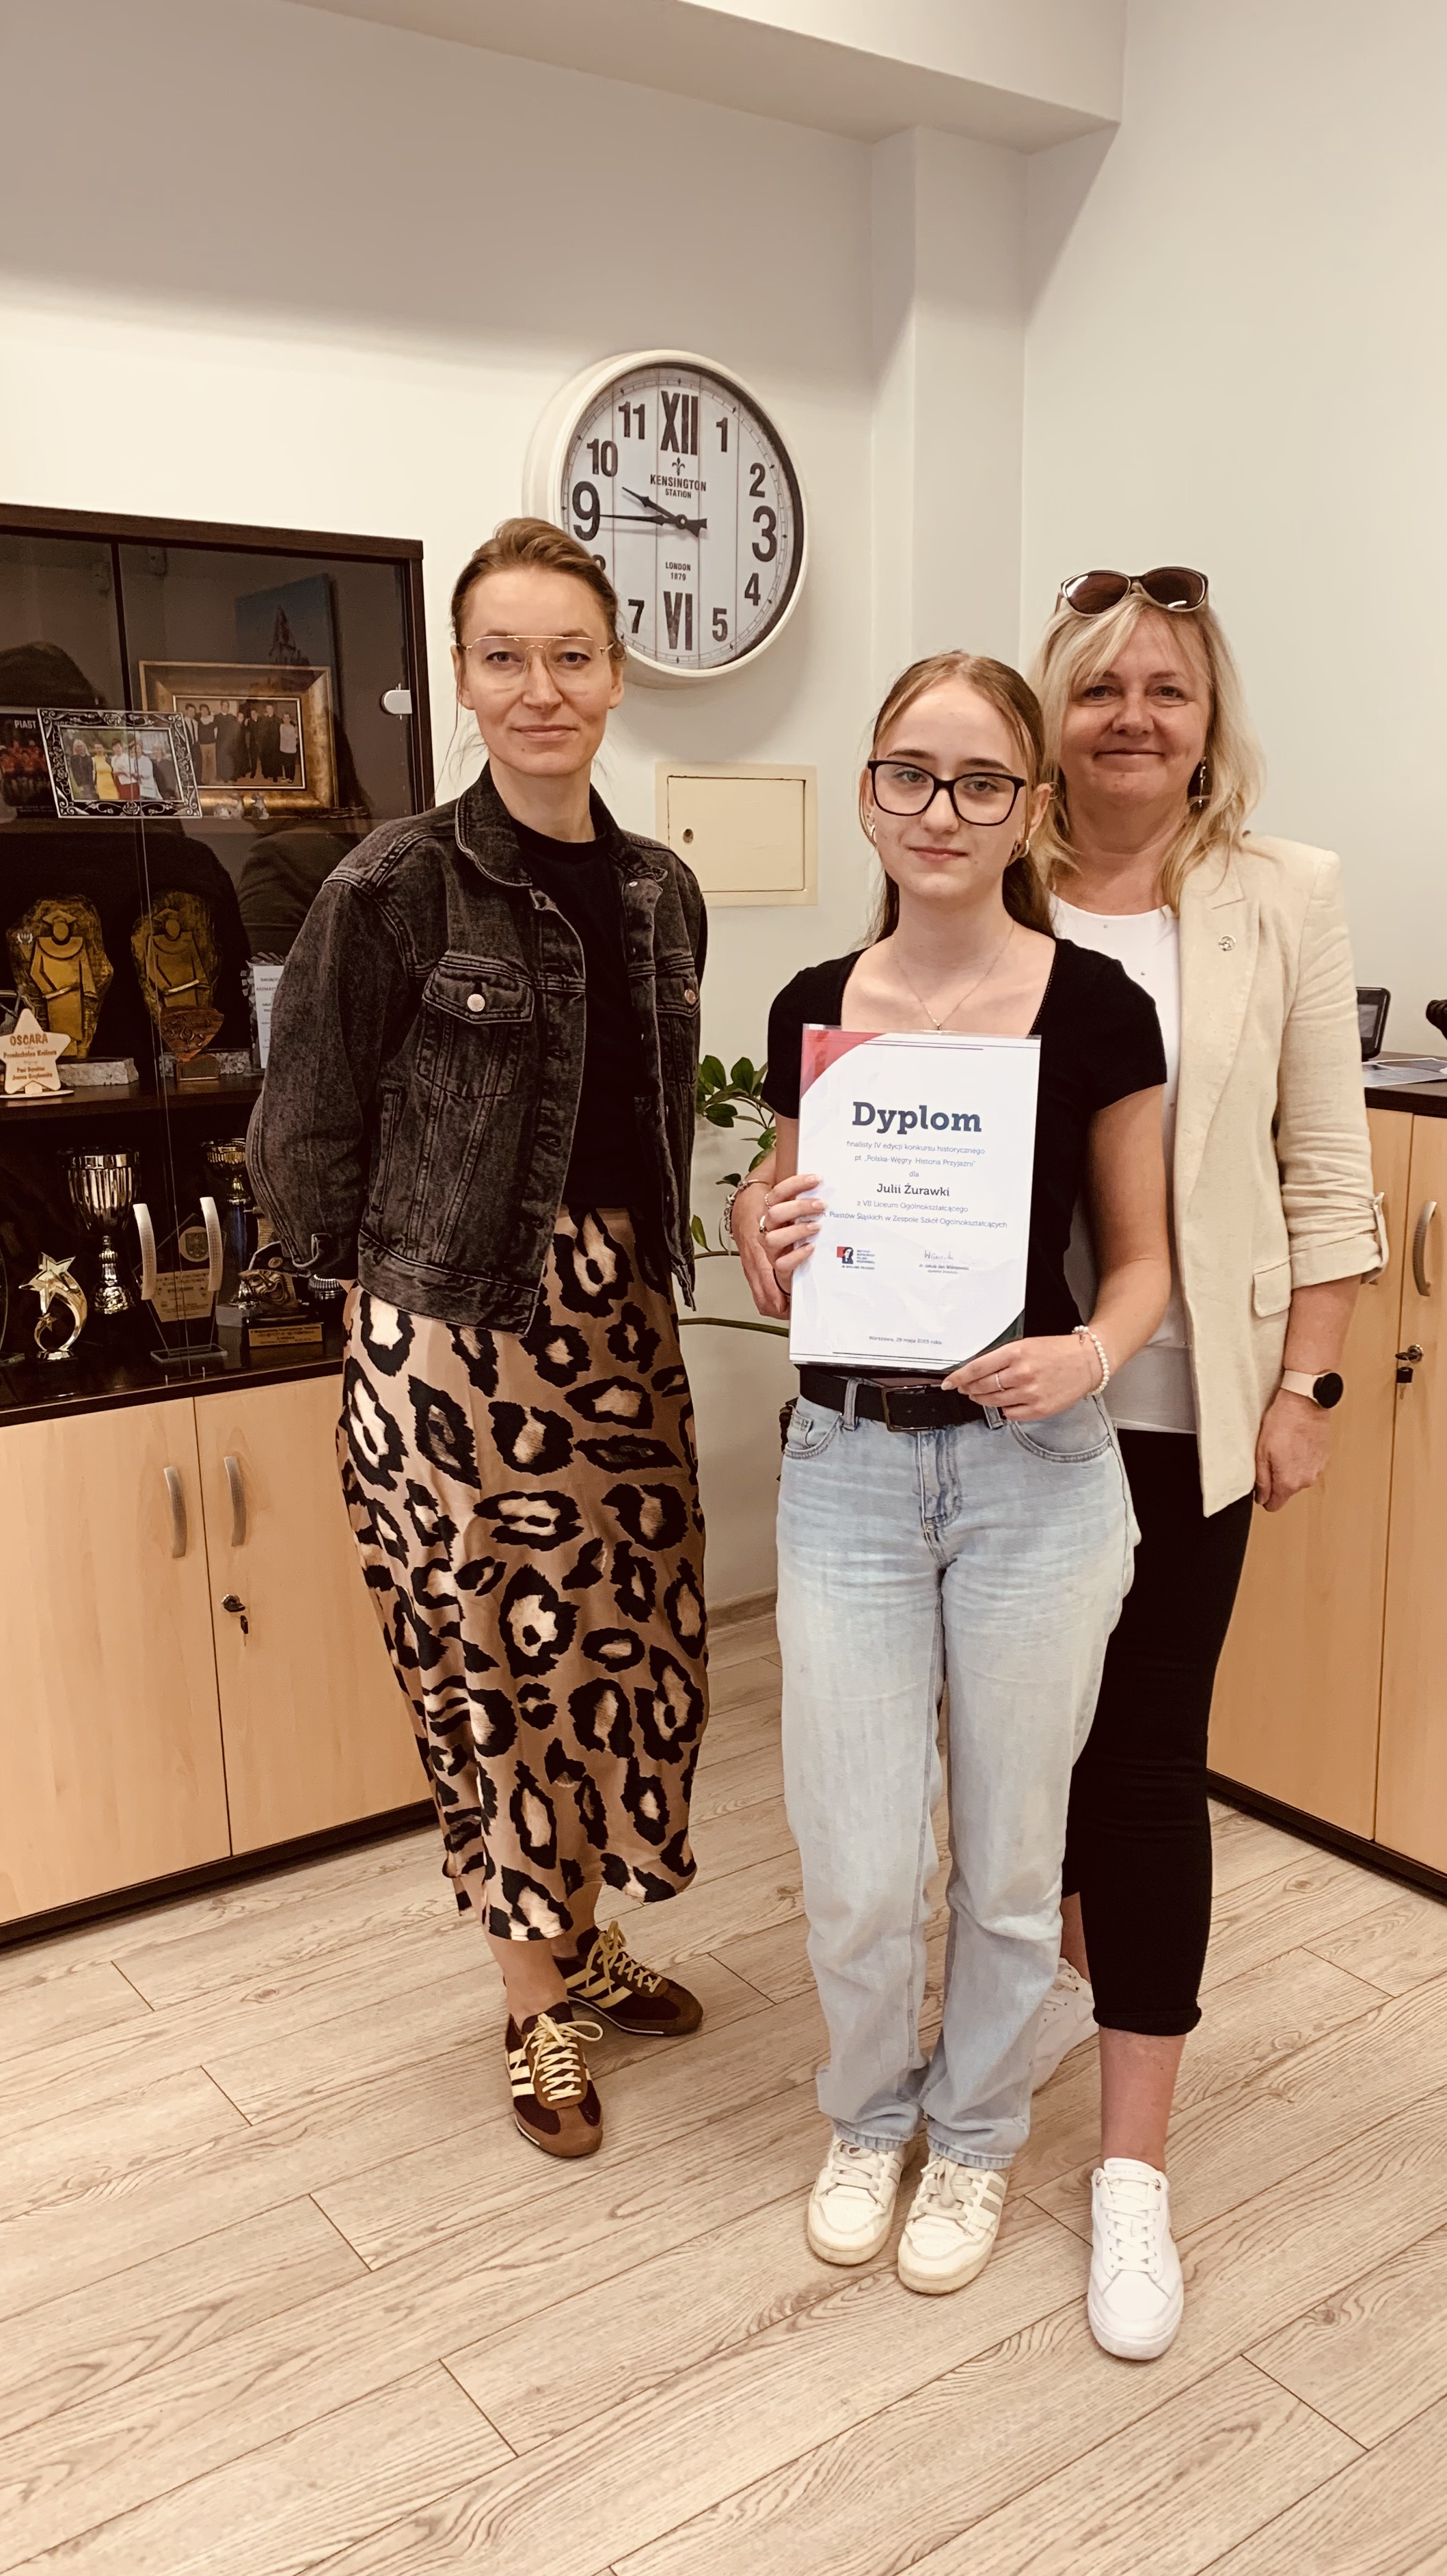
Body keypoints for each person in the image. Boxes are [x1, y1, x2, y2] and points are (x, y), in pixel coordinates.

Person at [248, 517, 712, 2162]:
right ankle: (532, 2007)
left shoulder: (660, 892)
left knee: (616, 1654)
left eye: (570, 655)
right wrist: (380, 1306)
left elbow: (647, 1119)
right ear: (461, 675)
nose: (540, 688)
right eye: (505, 657)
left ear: (614, 674)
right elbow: (299, 1136)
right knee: (492, 1676)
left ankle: (581, 1939)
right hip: (451, 1344)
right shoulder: (389, 887)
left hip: (620, 1330)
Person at [732, 652, 1169, 2298]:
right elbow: (783, 1229)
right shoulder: (812, 1006)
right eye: (910, 774)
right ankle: (868, 2113)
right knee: (856, 1868)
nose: (941, 809)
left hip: (1031, 1473)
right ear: (868, 794)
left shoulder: (1096, 1009)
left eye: (981, 781)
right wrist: (756, 1227)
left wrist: (1089, 1356)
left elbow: (1143, 1262)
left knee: (1006, 1864)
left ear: (1028, 809)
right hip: (847, 1467)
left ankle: (974, 2135)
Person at [1026, 567, 1380, 2360]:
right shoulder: (981, 872)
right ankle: (1052, 1981)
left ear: (1206, 718)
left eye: (1165, 688)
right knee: (1018, 1754)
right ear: (1053, 715)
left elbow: (1326, 1166)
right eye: (1100, 689)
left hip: (1188, 1408)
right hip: (1003, 1408)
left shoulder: (1279, 894)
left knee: (1149, 1759)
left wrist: (1306, 1384)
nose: (1133, 718)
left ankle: (1131, 2173)